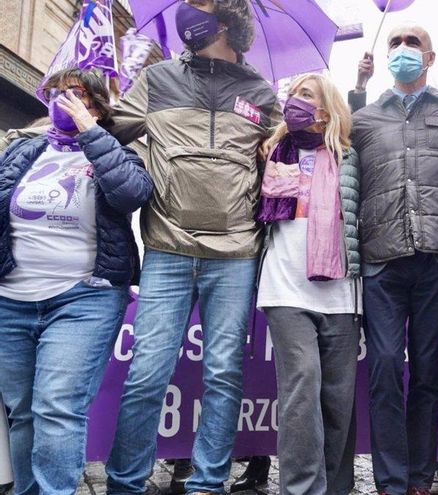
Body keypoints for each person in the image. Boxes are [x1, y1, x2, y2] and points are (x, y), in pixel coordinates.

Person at [102, 0, 281, 493]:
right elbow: (107, 131)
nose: (186, 12)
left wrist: (284, 135)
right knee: (146, 374)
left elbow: (286, 153)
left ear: (227, 17)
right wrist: (97, 99)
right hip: (167, 247)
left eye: (198, 5)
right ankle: (125, 483)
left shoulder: (261, 91)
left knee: (223, 375)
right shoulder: (157, 78)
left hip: (237, 253)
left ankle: (207, 483)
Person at [0, 68, 153, 495]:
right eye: (56, 92)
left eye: (77, 93)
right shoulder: (23, 149)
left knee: (57, 405)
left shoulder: (118, 153)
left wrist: (91, 133)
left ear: (97, 107)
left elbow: (131, 194)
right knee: (23, 411)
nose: (64, 100)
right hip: (10, 298)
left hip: (84, 298)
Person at [350, 24, 438, 495]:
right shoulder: (364, 120)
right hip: (381, 260)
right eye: (396, 43)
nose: (403, 49)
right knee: (385, 368)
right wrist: (357, 88)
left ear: (430, 56)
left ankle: (419, 480)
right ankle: (390, 482)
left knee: (428, 373)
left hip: (437, 260)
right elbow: (349, 176)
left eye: (413, 43)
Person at [255, 72, 360, 495]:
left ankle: (335, 488)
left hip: (342, 294)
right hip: (285, 288)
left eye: (306, 94)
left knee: (337, 399)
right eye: (293, 93)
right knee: (302, 385)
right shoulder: (270, 151)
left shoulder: (349, 158)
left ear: (326, 110)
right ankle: (300, 489)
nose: (295, 100)